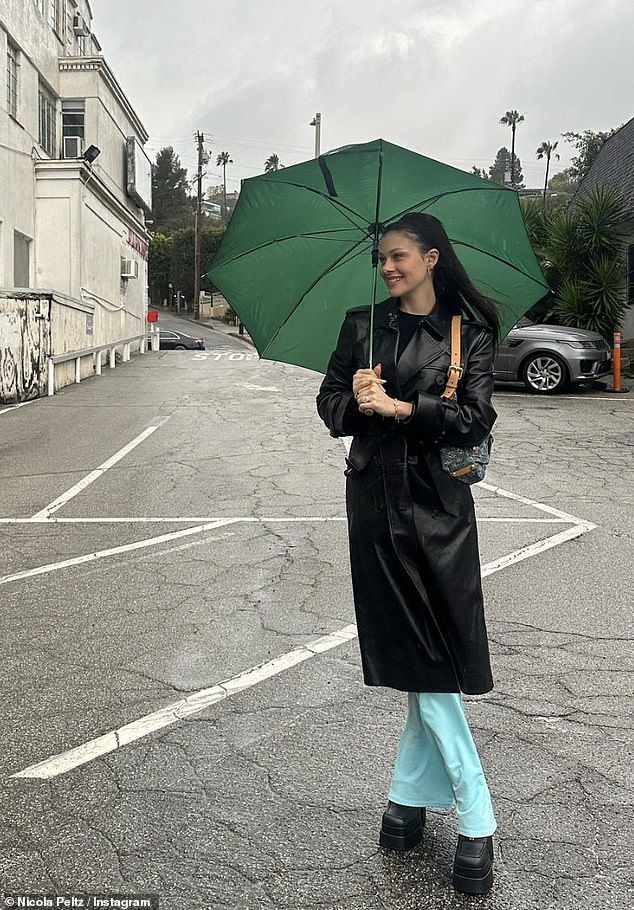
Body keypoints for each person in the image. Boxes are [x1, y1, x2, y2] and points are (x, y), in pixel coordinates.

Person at [316, 212, 499, 895]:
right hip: (372, 506)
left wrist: (401, 408)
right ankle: (407, 800)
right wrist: (357, 404)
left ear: (429, 258)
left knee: (434, 652)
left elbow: (475, 417)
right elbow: (327, 401)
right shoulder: (360, 326)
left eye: (398, 257)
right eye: (381, 259)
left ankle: (473, 812)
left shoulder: (468, 334)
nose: (387, 268)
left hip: (440, 511)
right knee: (415, 651)